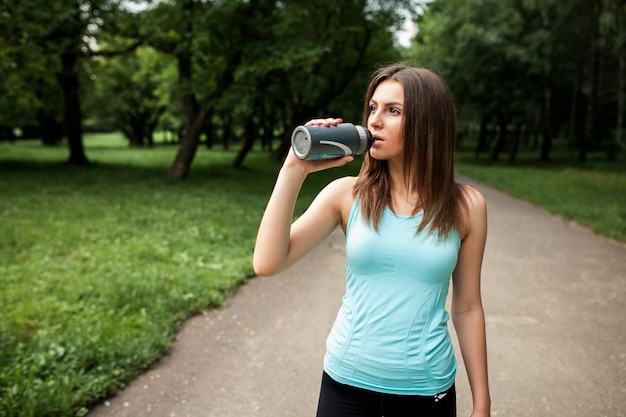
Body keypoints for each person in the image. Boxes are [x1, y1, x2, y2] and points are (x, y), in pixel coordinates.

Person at [253, 63, 490, 417]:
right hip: (345, 386)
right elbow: (267, 263)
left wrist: (482, 403)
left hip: (427, 391)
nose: (375, 121)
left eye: (393, 111)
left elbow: (468, 307)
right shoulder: (347, 195)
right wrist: (293, 168)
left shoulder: (466, 206)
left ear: (429, 124)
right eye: (373, 108)